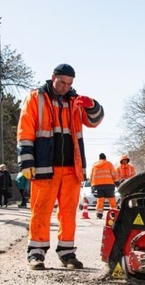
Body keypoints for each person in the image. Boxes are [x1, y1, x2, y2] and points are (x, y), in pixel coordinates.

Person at [17, 63, 104, 270]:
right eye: (62, 82)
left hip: (71, 169)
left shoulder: (76, 101)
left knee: (68, 213)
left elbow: (95, 121)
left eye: (70, 83)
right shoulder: (36, 98)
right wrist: (26, 162)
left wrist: (91, 104)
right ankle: (36, 254)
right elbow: (25, 131)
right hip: (44, 167)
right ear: (53, 77)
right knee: (40, 211)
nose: (66, 87)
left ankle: (67, 254)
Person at [89, 153, 118, 219]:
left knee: (100, 200)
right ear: (105, 158)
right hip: (109, 185)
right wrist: (116, 182)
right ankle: (113, 213)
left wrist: (92, 186)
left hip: (98, 186)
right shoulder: (109, 164)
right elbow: (113, 173)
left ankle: (99, 213)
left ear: (99, 158)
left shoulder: (94, 165)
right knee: (112, 199)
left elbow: (91, 176)